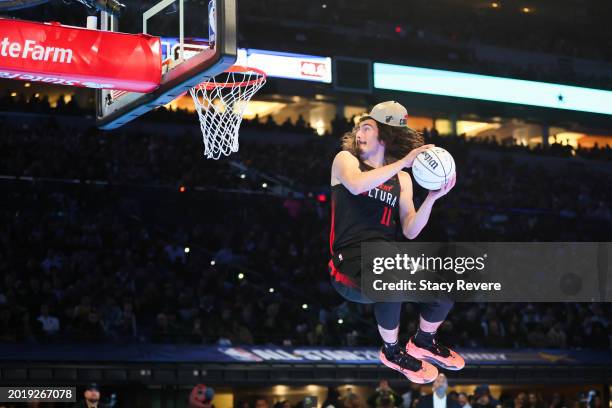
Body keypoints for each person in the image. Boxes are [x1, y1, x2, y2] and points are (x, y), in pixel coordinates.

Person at [328, 101, 463, 383]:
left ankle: (423, 341)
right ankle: (391, 351)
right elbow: (356, 185)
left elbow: (411, 230)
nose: (359, 133)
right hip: (349, 266)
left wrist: (431, 198)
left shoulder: (402, 179)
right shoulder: (346, 160)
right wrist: (403, 162)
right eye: (359, 128)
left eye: (367, 128)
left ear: (385, 136)